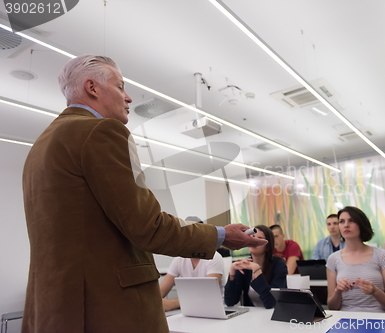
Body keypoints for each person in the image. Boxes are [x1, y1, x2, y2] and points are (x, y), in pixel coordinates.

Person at [21, 55, 266, 333]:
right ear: (92, 88)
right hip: (107, 309)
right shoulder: (102, 131)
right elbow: (147, 226)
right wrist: (221, 235)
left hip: (56, 307)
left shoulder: (41, 146)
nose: (128, 98)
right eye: (120, 87)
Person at [326, 206, 385, 313]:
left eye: (351, 221)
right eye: (341, 221)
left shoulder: (382, 256)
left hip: (378, 319)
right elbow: (332, 308)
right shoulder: (333, 259)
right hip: (344, 320)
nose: (346, 225)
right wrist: (338, 291)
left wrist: (375, 291)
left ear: (362, 224)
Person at [159, 216, 224, 312]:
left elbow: (207, 294)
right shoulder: (179, 260)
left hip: (212, 310)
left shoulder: (214, 257)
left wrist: (173, 303)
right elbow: (160, 292)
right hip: (188, 310)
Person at [224, 225, 287, 309]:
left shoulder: (279, 265)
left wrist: (256, 270)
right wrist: (232, 272)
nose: (254, 241)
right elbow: (230, 301)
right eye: (252, 237)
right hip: (252, 316)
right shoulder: (245, 266)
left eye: (259, 238)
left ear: (268, 245)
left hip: (275, 315)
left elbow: (271, 302)